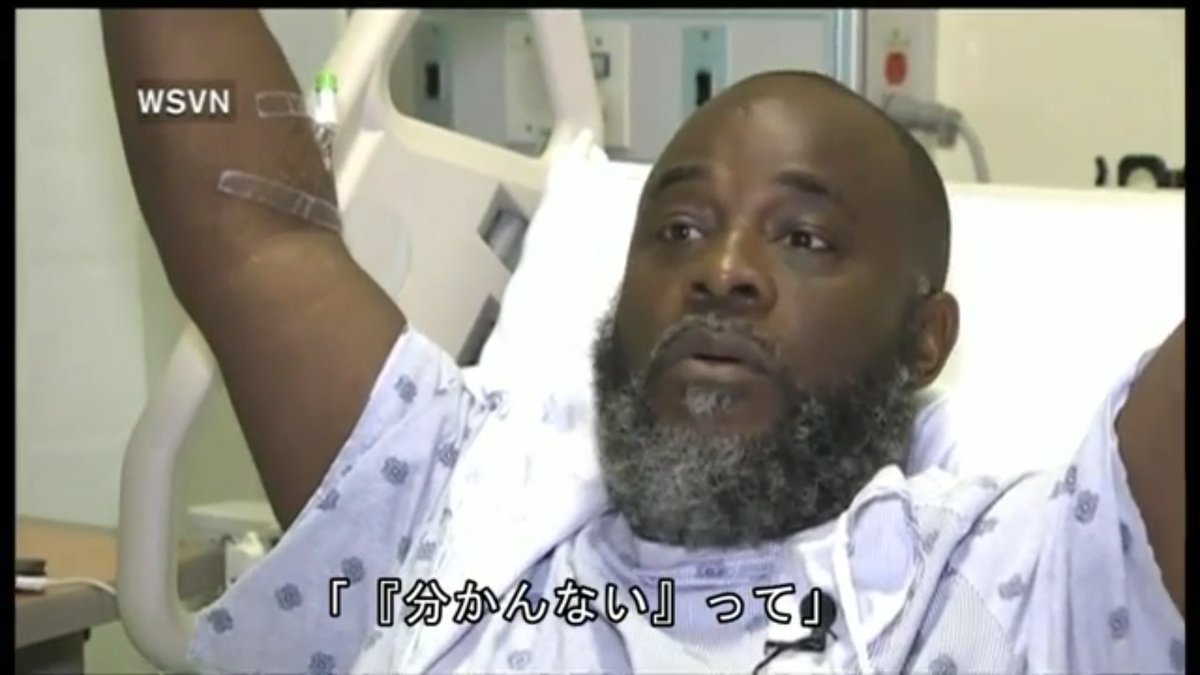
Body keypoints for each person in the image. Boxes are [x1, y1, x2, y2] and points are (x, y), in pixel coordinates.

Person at [101, 10, 1185, 674]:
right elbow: (257, 240)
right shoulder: (454, 512)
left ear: (924, 340)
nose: (723, 267)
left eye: (805, 237)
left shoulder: (1032, 587)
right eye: (678, 228)